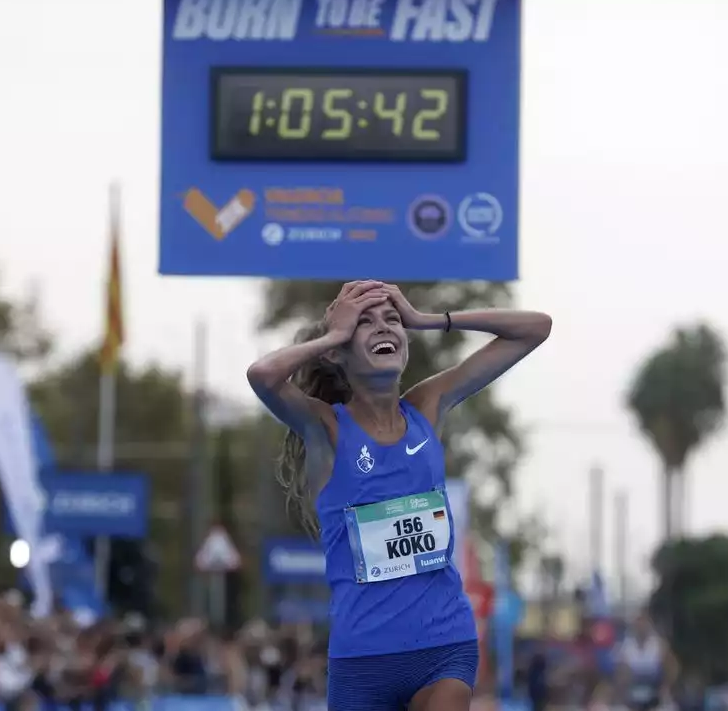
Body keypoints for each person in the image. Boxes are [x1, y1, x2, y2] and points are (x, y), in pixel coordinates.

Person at [246, 280, 552, 711]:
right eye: (365, 323)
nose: (383, 327)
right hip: (363, 660)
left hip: (445, 645)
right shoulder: (326, 429)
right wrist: (332, 333)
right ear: (338, 354)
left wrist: (429, 320)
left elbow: (536, 328)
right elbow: (262, 376)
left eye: (392, 320)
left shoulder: (427, 405)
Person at [615, 613, 678, 711]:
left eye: (643, 625)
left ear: (649, 626)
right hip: (634, 691)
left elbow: (673, 667)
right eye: (638, 626)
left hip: (655, 691)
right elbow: (621, 673)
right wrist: (623, 690)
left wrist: (666, 686)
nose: (641, 628)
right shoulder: (626, 647)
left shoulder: (658, 644)